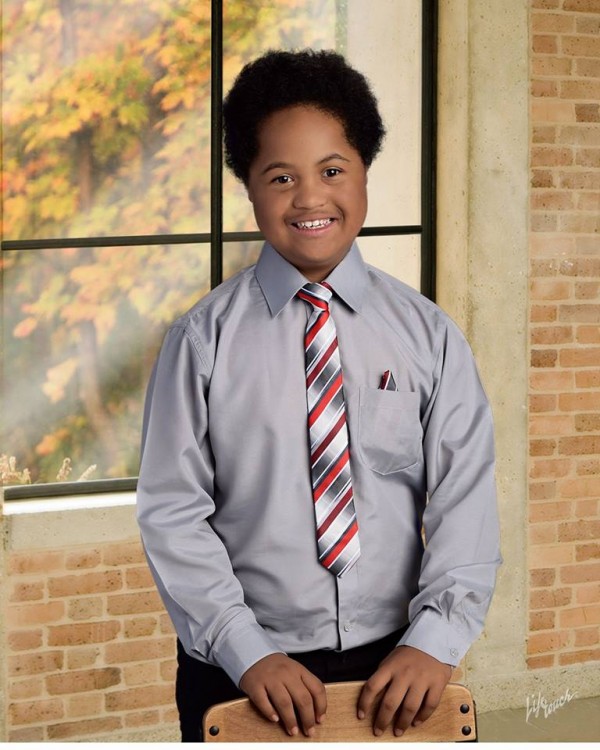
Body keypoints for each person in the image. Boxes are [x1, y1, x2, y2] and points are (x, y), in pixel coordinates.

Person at [136, 49, 502, 742]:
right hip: (242, 667)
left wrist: (437, 638)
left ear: (365, 172)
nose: (310, 198)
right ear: (248, 186)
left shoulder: (429, 336)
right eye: (281, 176)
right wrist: (247, 653)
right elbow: (173, 513)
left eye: (332, 170)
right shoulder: (201, 341)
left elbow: (466, 499)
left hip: (398, 663)